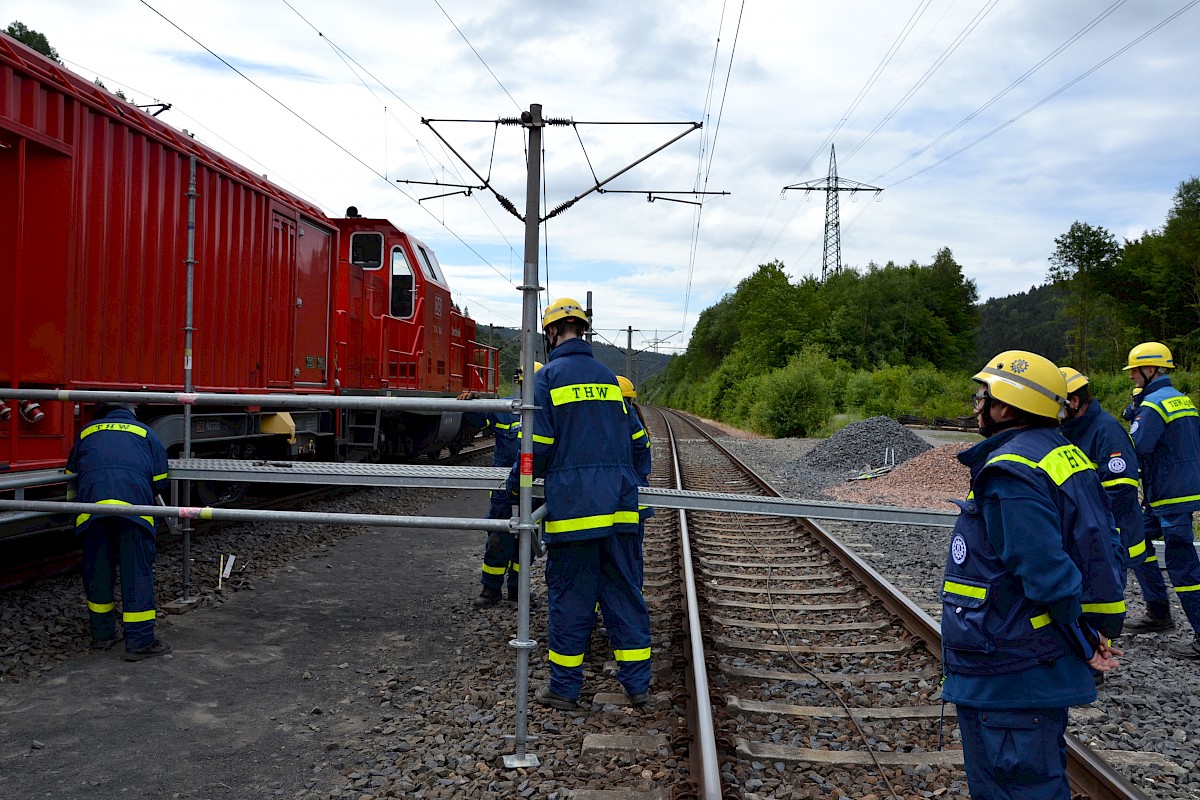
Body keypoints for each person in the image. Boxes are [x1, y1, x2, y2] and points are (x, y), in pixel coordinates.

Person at [940, 350, 1124, 799]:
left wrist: (1083, 640)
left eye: (982, 396)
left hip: (1010, 663)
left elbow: (1045, 571)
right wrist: (1089, 632)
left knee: (1016, 788)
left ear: (1005, 407)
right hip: (1028, 656)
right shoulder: (1062, 454)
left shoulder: (1011, 472)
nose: (976, 404)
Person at [506, 298, 652, 711]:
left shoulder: (548, 378)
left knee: (571, 599)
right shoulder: (608, 378)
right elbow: (633, 438)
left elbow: (540, 445)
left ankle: (566, 689)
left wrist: (515, 482)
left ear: (551, 333)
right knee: (624, 595)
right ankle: (638, 685)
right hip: (621, 508)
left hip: (574, 513)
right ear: (582, 332)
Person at [65, 403, 172, 661]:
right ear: (132, 411)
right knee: (136, 571)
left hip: (92, 510)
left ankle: (102, 633)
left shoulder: (87, 431)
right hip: (133, 511)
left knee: (98, 570)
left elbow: (72, 474)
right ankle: (139, 641)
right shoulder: (146, 432)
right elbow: (160, 480)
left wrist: (71, 511)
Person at [1123, 342, 1200, 656]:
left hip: (1170, 495)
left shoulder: (1154, 405)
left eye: (1135, 372)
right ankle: (1158, 612)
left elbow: (1137, 446)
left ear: (1150, 370)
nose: (1131, 378)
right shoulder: (1182, 400)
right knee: (1135, 540)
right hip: (1176, 489)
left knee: (1183, 567)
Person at [461, 362, 542, 608]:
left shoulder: (546, 411)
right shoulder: (506, 407)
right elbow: (479, 421)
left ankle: (518, 589)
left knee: (526, 542)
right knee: (498, 538)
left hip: (533, 486)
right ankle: (490, 589)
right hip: (503, 488)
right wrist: (470, 405)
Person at [1059, 367, 1146, 588]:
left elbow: (1122, 490)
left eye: (1057, 404)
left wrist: (1079, 514)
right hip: (1091, 535)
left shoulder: (1107, 431)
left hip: (1113, 537)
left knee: (1105, 603)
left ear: (1074, 402)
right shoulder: (1072, 430)